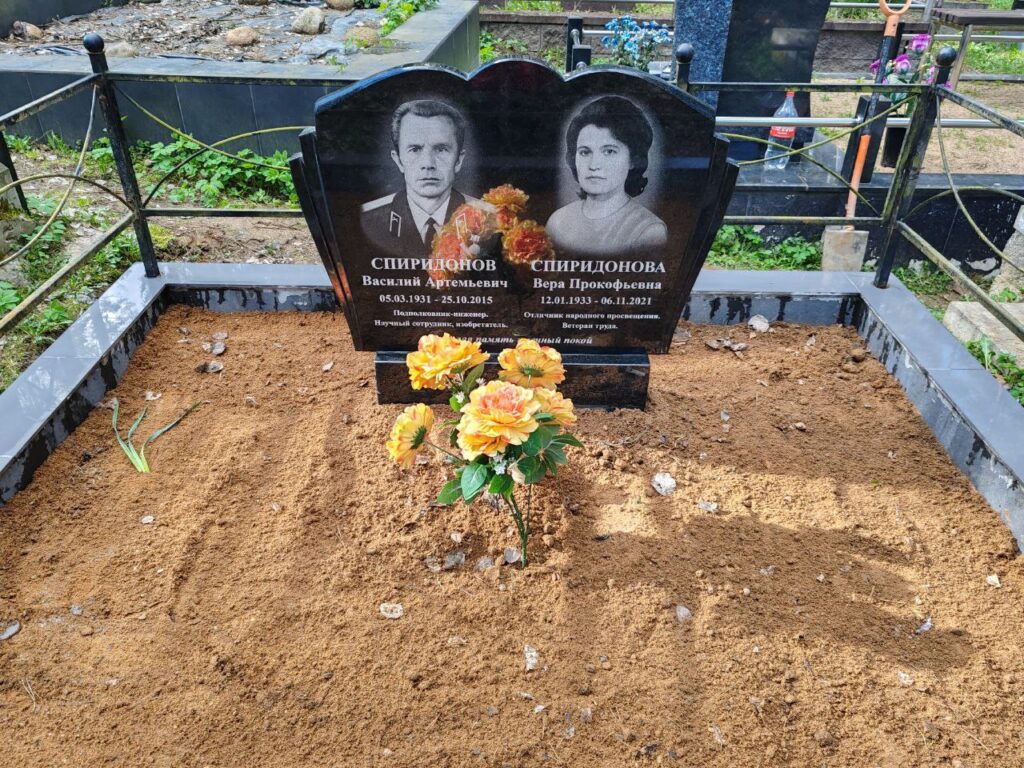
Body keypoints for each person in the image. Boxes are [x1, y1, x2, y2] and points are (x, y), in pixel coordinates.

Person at [546, 96, 667, 258]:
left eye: (609, 151)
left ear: (633, 160)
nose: (594, 165)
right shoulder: (557, 222)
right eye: (585, 152)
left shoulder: (648, 230)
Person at [361, 99, 476, 256]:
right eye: (415, 149)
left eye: (441, 149)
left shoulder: (489, 218)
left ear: (458, 160)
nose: (428, 164)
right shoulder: (369, 219)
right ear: (398, 160)